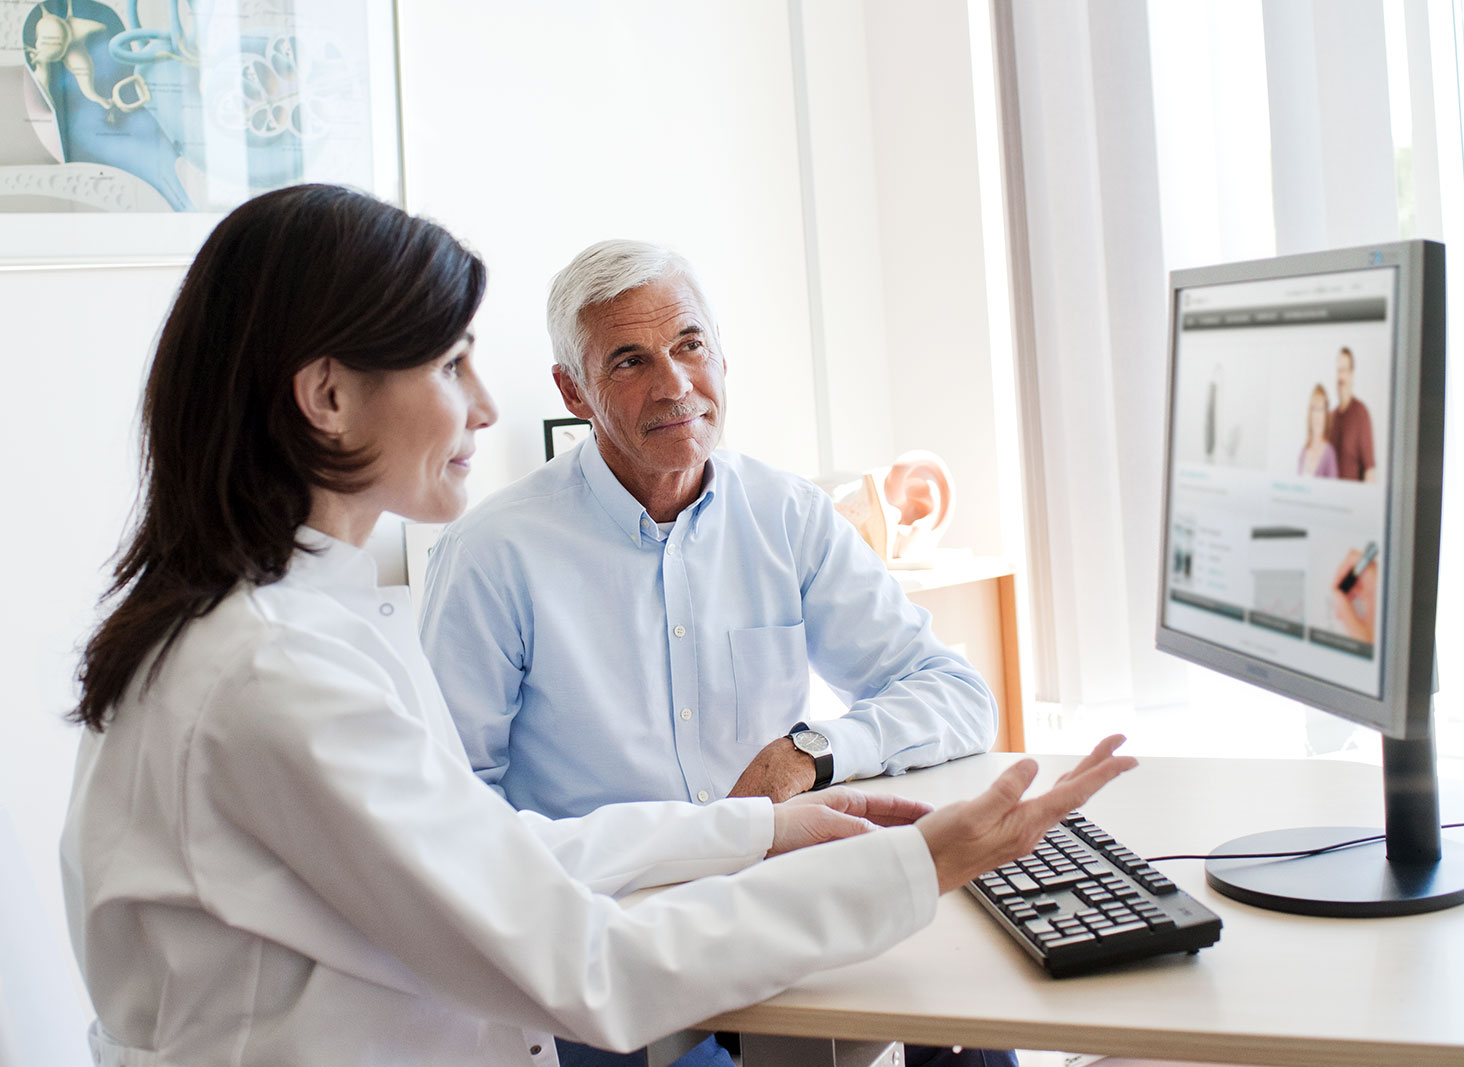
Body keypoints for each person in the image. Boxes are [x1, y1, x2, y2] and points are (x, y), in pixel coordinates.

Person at [59, 185, 1135, 1067]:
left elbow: (492, 853)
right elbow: (582, 965)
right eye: (449, 364)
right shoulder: (276, 670)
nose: (482, 406)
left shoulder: (295, 623)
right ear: (328, 398)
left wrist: (760, 827)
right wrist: (917, 864)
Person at [419, 239, 1011, 1067]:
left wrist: (809, 749)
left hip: (775, 905)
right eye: (628, 360)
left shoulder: (785, 515)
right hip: (610, 944)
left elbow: (954, 693)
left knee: (970, 1021)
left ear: (722, 353)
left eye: (689, 345)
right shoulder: (493, 553)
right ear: (574, 391)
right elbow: (454, 819)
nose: (673, 384)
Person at [1326, 347, 1376, 481]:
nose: (1340, 376)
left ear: (1352, 374)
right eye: (1338, 371)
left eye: (1344, 370)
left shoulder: (1361, 413)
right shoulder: (1331, 418)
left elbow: (1369, 470)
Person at [1298, 384, 1338, 478]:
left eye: (1320, 409)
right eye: (1314, 409)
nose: (1317, 415)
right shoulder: (1304, 452)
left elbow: (1334, 490)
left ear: (1325, 416)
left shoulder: (1329, 454)